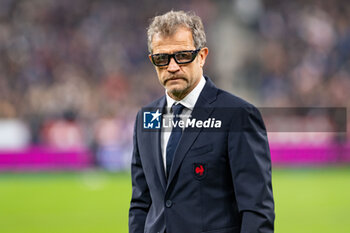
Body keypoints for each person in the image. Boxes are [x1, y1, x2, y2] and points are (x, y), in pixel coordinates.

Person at [129, 10, 274, 233]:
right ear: (152, 61)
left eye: (183, 55)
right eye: (162, 58)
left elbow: (256, 209)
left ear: (202, 56)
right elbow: (141, 203)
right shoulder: (146, 118)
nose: (172, 66)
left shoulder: (238, 115)